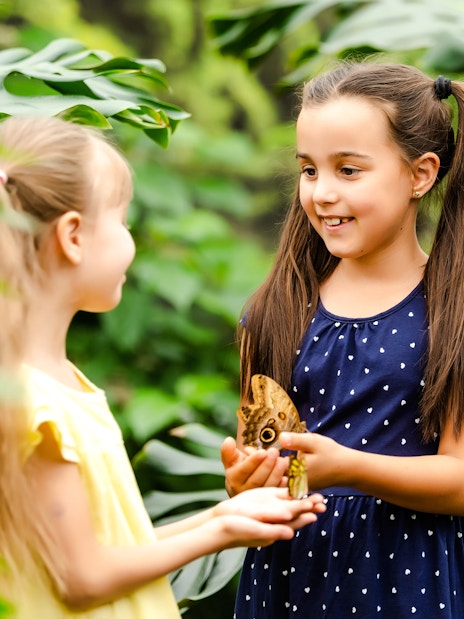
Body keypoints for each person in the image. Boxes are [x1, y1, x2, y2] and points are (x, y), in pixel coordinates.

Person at [0, 115, 327, 619]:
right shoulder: (36, 406)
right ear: (73, 237)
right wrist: (220, 531)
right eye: (123, 220)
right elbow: (80, 580)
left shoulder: (58, 384)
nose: (130, 238)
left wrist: (223, 516)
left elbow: (112, 547)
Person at [221, 60, 464, 618]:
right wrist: (246, 479)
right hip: (289, 579)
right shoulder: (274, 309)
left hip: (405, 583)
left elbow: (458, 478)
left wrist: (349, 467)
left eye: (349, 170)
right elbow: (262, 461)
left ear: (420, 174)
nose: (322, 193)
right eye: (309, 170)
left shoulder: (451, 312)